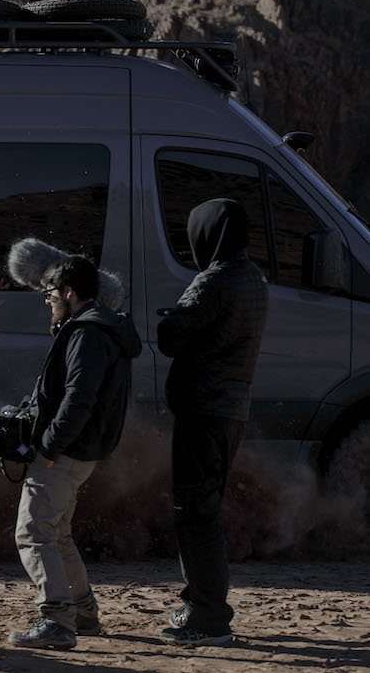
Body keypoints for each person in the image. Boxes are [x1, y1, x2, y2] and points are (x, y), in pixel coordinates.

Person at [9, 254, 142, 650]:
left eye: (49, 293)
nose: (47, 300)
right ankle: (82, 613)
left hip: (65, 453)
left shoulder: (86, 333)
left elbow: (79, 398)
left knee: (33, 533)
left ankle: (56, 621)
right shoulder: (100, 327)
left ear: (68, 291)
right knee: (58, 534)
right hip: (82, 452)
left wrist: (49, 446)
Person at [157, 198, 268, 646]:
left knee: (195, 514)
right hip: (230, 412)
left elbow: (171, 337)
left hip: (203, 413)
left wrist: (172, 317)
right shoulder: (253, 279)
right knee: (205, 511)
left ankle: (207, 616)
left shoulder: (215, 280)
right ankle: (204, 605)